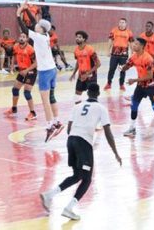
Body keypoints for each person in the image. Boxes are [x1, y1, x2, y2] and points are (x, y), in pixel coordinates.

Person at [40, 83, 121, 221]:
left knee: (77, 175)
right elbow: (108, 133)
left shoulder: (77, 106)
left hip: (71, 141)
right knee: (87, 178)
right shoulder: (101, 108)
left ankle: (49, 195)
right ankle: (68, 208)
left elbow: (68, 129)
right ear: (98, 94)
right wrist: (115, 153)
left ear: (87, 93)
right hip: (83, 143)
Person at [17, 1, 63, 142]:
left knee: (45, 101)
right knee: (51, 97)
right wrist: (26, 10)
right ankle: (57, 122)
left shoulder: (37, 36)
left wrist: (18, 15)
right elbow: (34, 22)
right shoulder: (46, 35)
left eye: (38, 25)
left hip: (44, 72)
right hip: (53, 70)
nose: (35, 24)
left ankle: (50, 126)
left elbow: (25, 29)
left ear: (41, 29)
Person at [121, 37, 154, 142]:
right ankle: (132, 128)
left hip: (152, 86)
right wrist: (123, 67)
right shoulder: (134, 56)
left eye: (136, 44)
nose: (133, 46)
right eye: (133, 44)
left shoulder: (148, 59)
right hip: (141, 86)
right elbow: (128, 65)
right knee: (134, 105)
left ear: (142, 46)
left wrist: (134, 80)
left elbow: (149, 76)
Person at [4, 32, 37, 121]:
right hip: (22, 71)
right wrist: (12, 65)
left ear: (27, 39)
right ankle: (14, 109)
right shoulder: (16, 46)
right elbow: (14, 55)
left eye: (23, 37)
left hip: (30, 71)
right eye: (20, 36)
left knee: (26, 92)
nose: (21, 38)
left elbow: (36, 63)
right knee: (15, 89)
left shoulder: (30, 49)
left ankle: (33, 113)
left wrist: (27, 70)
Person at [70, 31, 100, 104]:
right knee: (77, 95)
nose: (77, 38)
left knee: (92, 96)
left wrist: (87, 74)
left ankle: (93, 110)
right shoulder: (76, 50)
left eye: (79, 37)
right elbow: (78, 62)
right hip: (81, 75)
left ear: (84, 39)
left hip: (91, 76)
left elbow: (98, 64)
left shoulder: (90, 49)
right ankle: (78, 109)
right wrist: (74, 73)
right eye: (76, 37)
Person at [105, 18, 134, 91]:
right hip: (114, 53)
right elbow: (110, 40)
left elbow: (131, 43)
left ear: (125, 24)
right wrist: (108, 50)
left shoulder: (129, 32)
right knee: (111, 69)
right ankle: (108, 83)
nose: (121, 23)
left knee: (122, 70)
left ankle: (121, 85)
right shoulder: (114, 30)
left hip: (124, 55)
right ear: (119, 23)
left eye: (123, 22)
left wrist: (132, 52)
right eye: (120, 22)